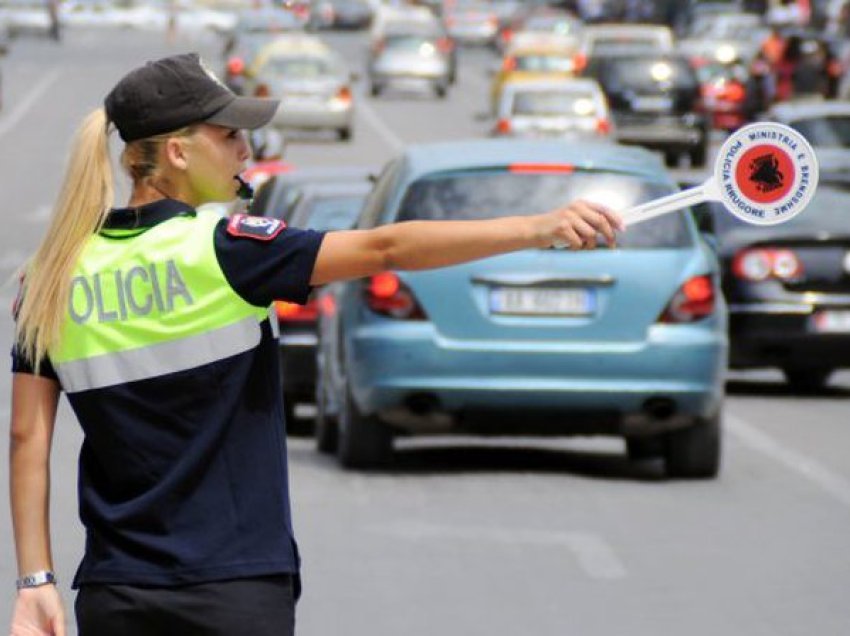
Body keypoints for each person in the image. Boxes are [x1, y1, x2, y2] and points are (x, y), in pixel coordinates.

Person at [8, 52, 622, 636]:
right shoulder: (224, 249)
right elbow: (385, 248)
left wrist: (35, 579)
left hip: (117, 591)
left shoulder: (55, 272)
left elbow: (27, 437)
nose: (246, 149)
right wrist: (536, 228)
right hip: (235, 587)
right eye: (228, 136)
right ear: (175, 152)